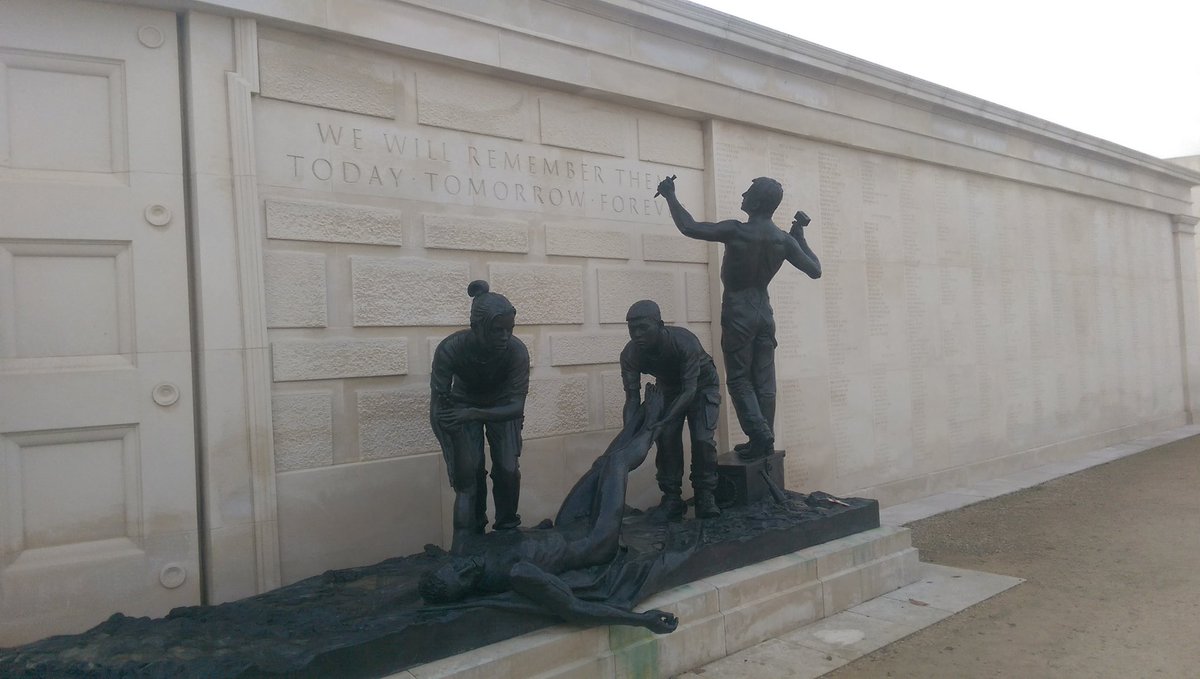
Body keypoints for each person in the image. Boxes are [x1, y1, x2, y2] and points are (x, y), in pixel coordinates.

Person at [419, 385, 679, 634]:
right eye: (464, 579)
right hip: (595, 540)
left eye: (455, 568)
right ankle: (658, 421)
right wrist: (641, 620)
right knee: (617, 464)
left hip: (567, 524)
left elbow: (465, 487)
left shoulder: (464, 545)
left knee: (602, 466)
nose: (466, 568)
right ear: (468, 593)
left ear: (448, 564)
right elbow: (574, 608)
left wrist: (454, 431)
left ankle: (642, 415)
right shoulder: (517, 574)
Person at [655, 176, 821, 460]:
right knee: (764, 380)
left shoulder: (737, 231)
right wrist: (799, 236)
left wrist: (670, 195)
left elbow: (689, 226)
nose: (743, 194)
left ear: (755, 202)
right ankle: (762, 441)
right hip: (763, 313)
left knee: (740, 379)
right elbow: (815, 269)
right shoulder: (783, 239)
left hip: (738, 311)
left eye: (748, 192)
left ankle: (759, 433)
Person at [430, 280, 530, 547]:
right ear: (476, 328)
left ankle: (508, 530)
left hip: (501, 406)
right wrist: (451, 453)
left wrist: (473, 414)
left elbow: (516, 407)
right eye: (497, 330)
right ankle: (472, 536)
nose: (505, 337)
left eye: (509, 329)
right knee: (470, 473)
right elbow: (438, 406)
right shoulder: (450, 349)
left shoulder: (517, 352)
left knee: (508, 469)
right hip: (463, 404)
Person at [620, 300, 721, 520]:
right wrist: (629, 434)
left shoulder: (685, 342)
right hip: (668, 387)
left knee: (703, 439)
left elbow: (689, 391)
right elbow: (632, 399)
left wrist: (663, 419)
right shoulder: (630, 355)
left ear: (660, 325)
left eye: (642, 328)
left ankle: (705, 495)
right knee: (666, 439)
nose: (636, 334)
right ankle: (672, 498)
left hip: (701, 386)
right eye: (632, 329)